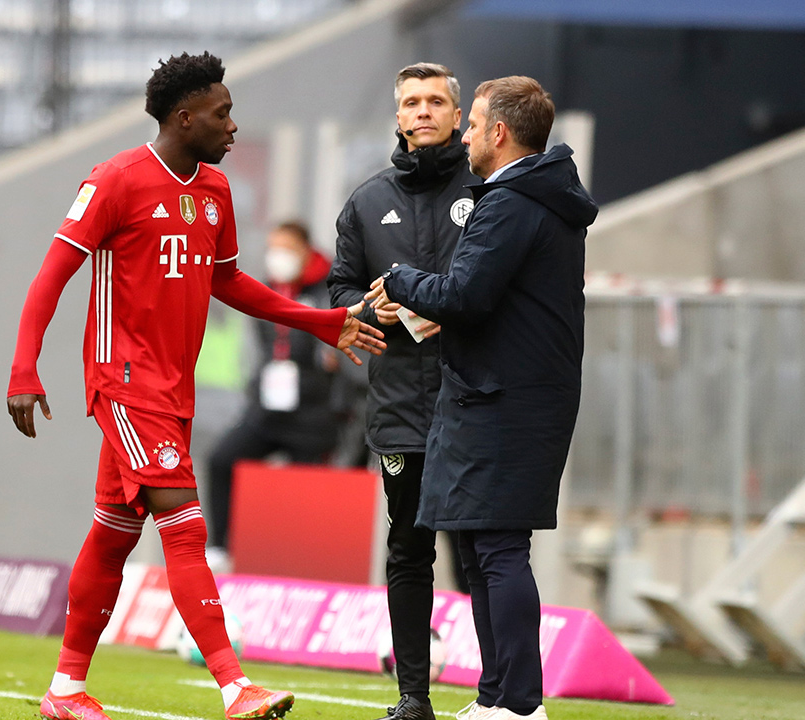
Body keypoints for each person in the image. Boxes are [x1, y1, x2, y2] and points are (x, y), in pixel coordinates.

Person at [5, 52, 385, 720]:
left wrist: (322, 322)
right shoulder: (116, 180)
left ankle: (66, 690)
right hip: (123, 383)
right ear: (185, 118)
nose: (233, 126)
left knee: (113, 534)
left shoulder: (213, 190)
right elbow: (51, 273)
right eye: (222, 113)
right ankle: (236, 686)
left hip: (169, 391)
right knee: (184, 524)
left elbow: (229, 280)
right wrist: (24, 368)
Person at [367, 76, 597, 720]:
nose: (464, 134)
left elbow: (465, 297)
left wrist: (399, 278)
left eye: (472, 124)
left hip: (508, 398)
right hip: (500, 393)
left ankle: (520, 704)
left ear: (499, 132)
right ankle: (496, 696)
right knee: (477, 546)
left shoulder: (512, 201)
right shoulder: (533, 197)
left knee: (498, 549)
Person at [327, 62, 481, 720]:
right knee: (408, 549)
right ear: (398, 116)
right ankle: (413, 698)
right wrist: (365, 310)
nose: (422, 111)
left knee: (479, 550)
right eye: (411, 102)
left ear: (456, 113)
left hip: (475, 398)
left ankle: (497, 695)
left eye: (434, 101)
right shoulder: (365, 201)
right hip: (398, 406)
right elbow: (336, 290)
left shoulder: (488, 188)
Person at [206, 221, 343, 570]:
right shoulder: (265, 289)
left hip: (312, 416)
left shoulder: (328, 290)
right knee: (221, 459)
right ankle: (220, 547)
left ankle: (307, 567)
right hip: (267, 412)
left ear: (304, 250)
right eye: (273, 247)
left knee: (309, 497)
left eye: (285, 248)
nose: (277, 256)